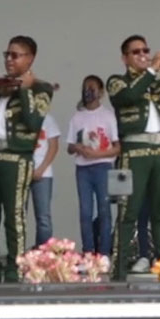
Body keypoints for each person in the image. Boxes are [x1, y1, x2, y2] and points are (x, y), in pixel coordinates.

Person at [0, 36, 53, 283]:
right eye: (7, 54)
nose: (9, 60)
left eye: (15, 55)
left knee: (14, 216)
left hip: (17, 157)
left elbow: (33, 122)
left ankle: (15, 267)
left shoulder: (41, 88)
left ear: (30, 59)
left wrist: (24, 90)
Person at [108, 34, 160, 279]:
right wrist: (152, 70)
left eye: (145, 50)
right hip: (134, 151)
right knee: (128, 211)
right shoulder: (117, 81)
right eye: (136, 52)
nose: (143, 55)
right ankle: (119, 268)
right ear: (125, 58)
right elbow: (128, 97)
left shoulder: (159, 82)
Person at [67, 75, 119, 255]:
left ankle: (104, 253)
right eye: (85, 88)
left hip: (103, 167)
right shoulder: (77, 117)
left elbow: (117, 147)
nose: (88, 92)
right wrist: (78, 148)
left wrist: (97, 154)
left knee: (104, 210)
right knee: (85, 212)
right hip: (83, 169)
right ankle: (88, 251)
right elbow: (69, 147)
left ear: (101, 92)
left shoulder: (108, 116)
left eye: (92, 88)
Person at [29, 110, 61, 247]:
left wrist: (41, 169)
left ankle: (43, 252)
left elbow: (54, 147)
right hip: (22, 171)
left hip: (44, 173)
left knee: (43, 217)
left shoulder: (48, 119)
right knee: (17, 216)